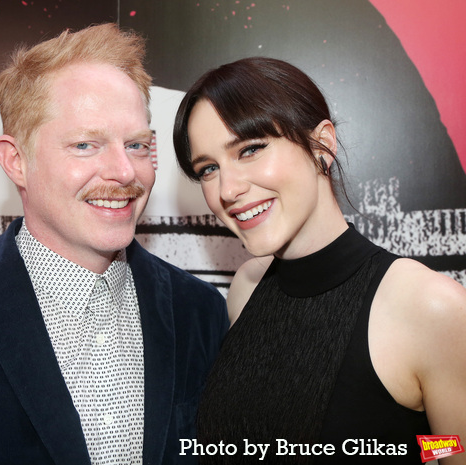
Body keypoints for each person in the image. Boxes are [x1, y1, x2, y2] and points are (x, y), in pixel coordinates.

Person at [0, 24, 228, 465]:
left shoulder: (200, 311)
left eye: (136, 145)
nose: (125, 171)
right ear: (16, 161)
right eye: (84, 145)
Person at [173, 57, 466, 463]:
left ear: (321, 145)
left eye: (251, 149)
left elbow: (451, 449)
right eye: (208, 168)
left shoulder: (431, 306)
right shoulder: (245, 289)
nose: (228, 189)